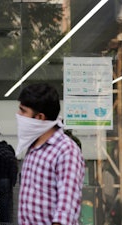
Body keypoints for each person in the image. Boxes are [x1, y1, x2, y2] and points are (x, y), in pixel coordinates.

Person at [16, 83, 85, 225]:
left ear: (40, 117)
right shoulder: (33, 146)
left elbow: (66, 209)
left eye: (23, 111)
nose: (18, 115)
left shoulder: (66, 150)